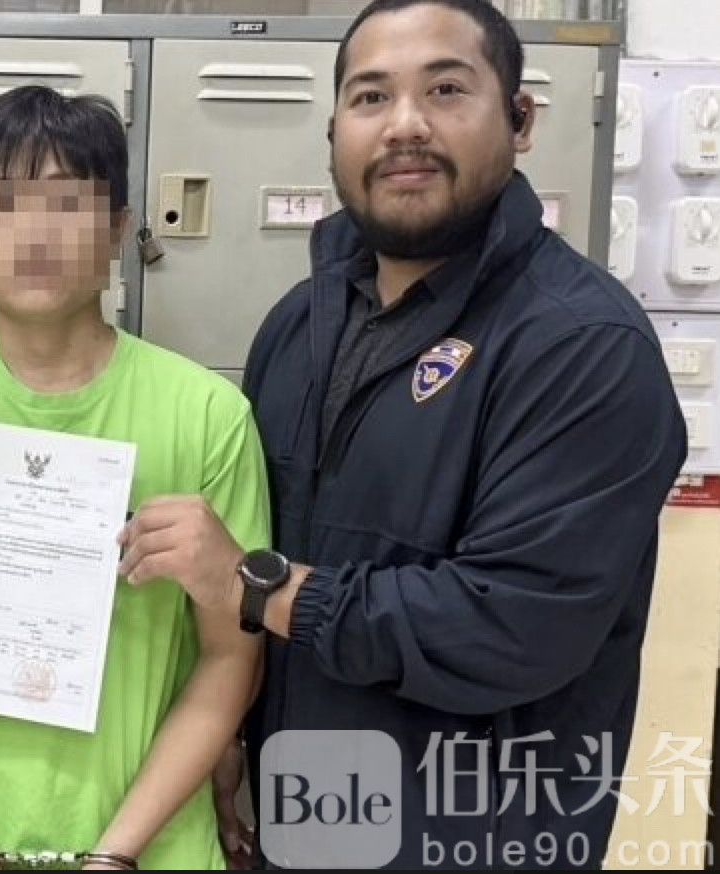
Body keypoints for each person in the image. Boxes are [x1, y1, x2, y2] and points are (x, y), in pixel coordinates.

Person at [116, 0, 688, 868]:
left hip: (474, 837)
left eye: (446, 90)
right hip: (314, 817)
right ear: (334, 132)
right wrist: (230, 733)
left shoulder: (581, 347)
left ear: (521, 119)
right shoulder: (300, 325)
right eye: (371, 97)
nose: (405, 125)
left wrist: (260, 587)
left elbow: (513, 625)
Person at [0, 85, 270, 871]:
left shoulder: (209, 415)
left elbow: (229, 657)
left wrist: (115, 856)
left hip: (153, 850)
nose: (34, 232)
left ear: (119, 229)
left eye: (68, 204)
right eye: (1, 204)